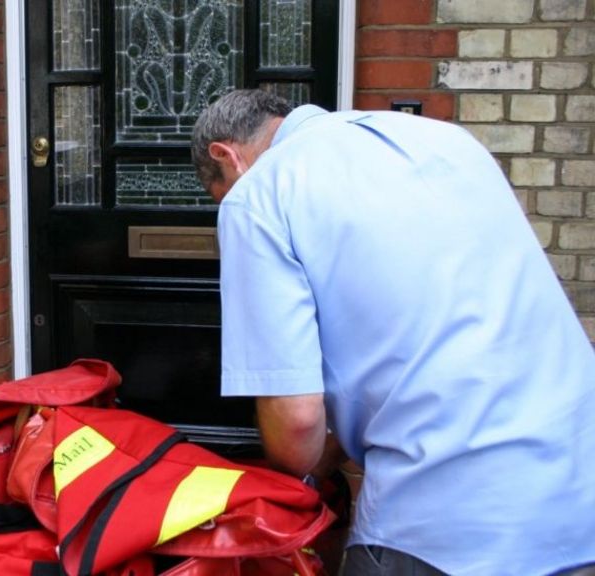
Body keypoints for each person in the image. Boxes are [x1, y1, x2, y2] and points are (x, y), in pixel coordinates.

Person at [191, 89, 595, 576]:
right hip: (576, 492)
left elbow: (296, 424)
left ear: (225, 155)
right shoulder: (447, 141)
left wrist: (297, 482)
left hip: (441, 528)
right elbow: (423, 344)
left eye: (221, 194)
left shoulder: (258, 194)